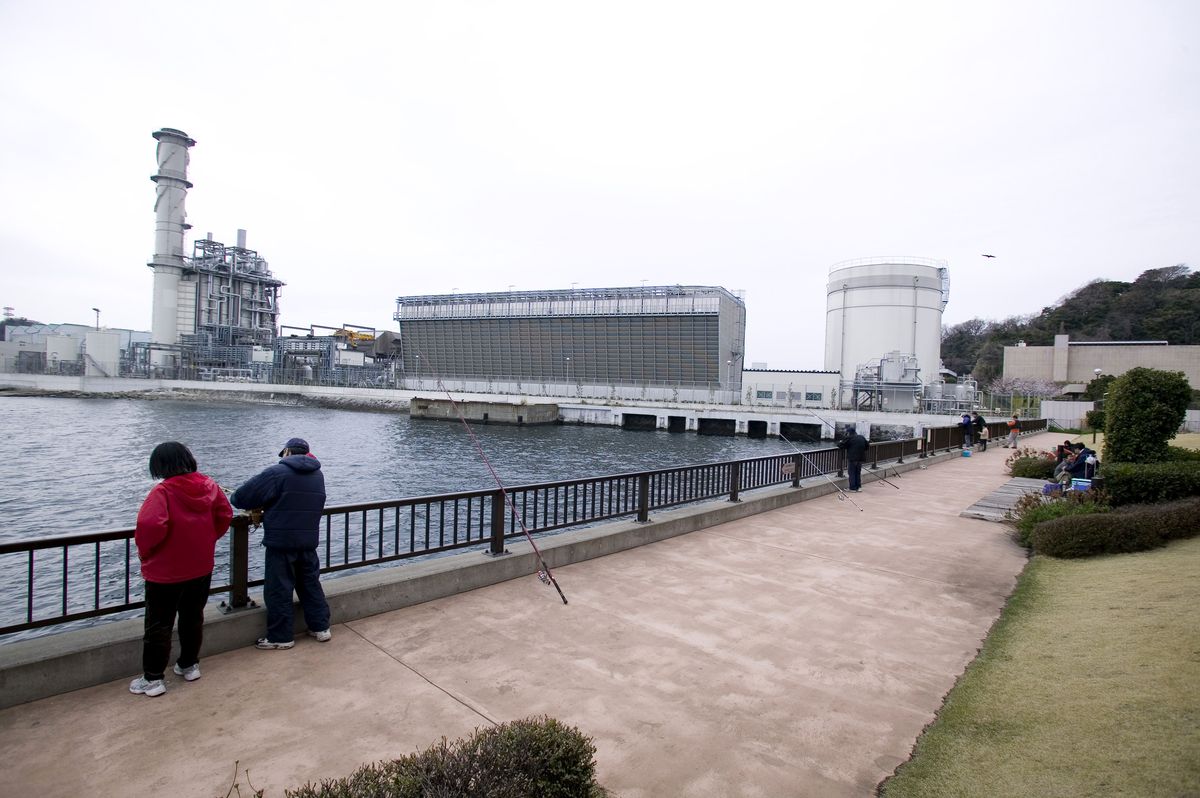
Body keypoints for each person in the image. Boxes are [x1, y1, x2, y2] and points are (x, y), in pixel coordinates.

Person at [131, 442, 233, 697]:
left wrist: (146, 553)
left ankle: (153, 678)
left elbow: (150, 526)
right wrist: (207, 539)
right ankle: (189, 665)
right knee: (192, 617)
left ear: (160, 465)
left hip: (165, 571)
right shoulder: (210, 486)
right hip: (200, 566)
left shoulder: (163, 492)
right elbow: (225, 515)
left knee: (159, 624)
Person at [231, 437, 332, 650]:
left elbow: (241, 498)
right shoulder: (318, 475)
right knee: (310, 585)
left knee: (279, 589)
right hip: (308, 542)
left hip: (281, 542)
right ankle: (321, 627)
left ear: (287, 452)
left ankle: (280, 637)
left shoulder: (276, 473)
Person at [837, 424, 869, 493]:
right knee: (858, 472)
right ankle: (859, 487)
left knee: (851, 473)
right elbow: (867, 446)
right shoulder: (861, 437)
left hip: (852, 458)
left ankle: (852, 488)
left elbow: (841, 445)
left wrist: (840, 441)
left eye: (847, 433)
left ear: (848, 433)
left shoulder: (849, 438)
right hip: (860, 458)